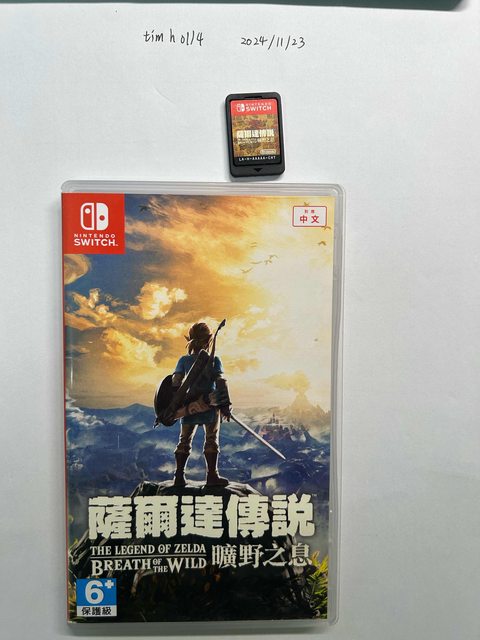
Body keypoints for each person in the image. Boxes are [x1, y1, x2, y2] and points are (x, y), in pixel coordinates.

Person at [171, 322, 231, 487]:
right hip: (210, 405)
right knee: (211, 440)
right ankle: (212, 476)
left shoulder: (184, 360)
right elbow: (220, 381)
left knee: (184, 441)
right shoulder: (214, 360)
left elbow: (175, 382)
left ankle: (179, 477)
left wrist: (175, 404)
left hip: (188, 407)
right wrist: (225, 405)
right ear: (208, 340)